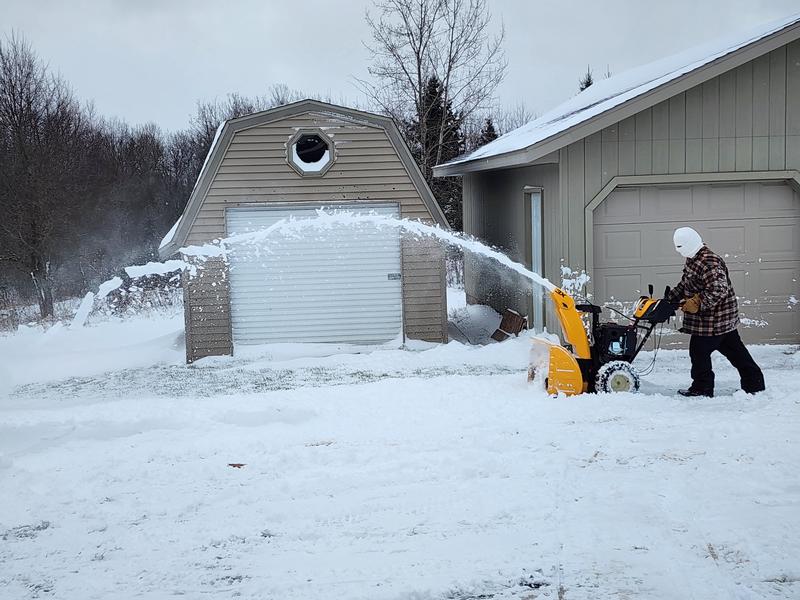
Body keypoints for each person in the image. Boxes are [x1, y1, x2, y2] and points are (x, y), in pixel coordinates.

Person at [668, 227, 765, 397]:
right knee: (736, 352)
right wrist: (671, 298)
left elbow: (718, 289)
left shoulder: (710, 261)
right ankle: (754, 384)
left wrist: (697, 302)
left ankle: (702, 388)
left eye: (681, 247)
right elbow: (686, 283)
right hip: (718, 321)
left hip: (714, 321)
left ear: (691, 243)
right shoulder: (693, 258)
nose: (680, 252)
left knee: (698, 352)